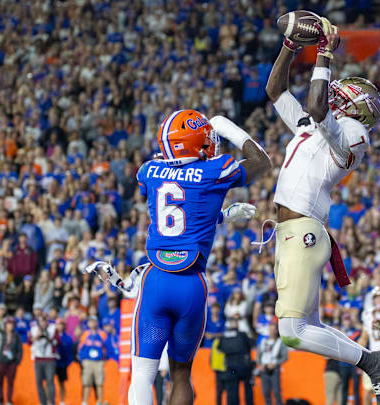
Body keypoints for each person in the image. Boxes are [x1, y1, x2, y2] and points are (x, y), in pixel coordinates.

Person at [265, 14, 380, 405]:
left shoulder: (354, 135)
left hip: (304, 231)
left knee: (292, 331)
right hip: (294, 232)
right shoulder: (315, 127)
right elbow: (275, 91)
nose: (338, 93)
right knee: (308, 326)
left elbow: (317, 103)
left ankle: (373, 361)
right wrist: (290, 48)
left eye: (346, 93)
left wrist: (325, 54)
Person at [88, 110, 270, 405]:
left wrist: (220, 216)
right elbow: (262, 163)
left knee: (143, 374)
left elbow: (177, 210)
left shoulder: (149, 170)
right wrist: (231, 130)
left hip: (156, 281)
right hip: (191, 285)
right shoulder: (215, 170)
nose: (211, 142)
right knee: (181, 374)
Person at [218, 317, 254, 405]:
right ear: (237, 324)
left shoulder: (223, 336)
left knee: (232, 391)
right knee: (248, 389)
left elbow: (219, 349)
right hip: (244, 366)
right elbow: (252, 344)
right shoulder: (242, 334)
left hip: (231, 367)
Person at [78, 315, 108, 405]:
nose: (92, 323)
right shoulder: (85, 334)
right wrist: (82, 360)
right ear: (88, 323)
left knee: (99, 383)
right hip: (88, 361)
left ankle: (99, 402)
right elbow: (80, 348)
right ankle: (85, 402)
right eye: (90, 321)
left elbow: (106, 347)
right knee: (86, 383)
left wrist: (104, 360)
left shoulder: (102, 334)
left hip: (99, 362)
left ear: (97, 322)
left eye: (94, 321)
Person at [29, 314, 59, 405]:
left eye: (45, 320)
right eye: (42, 320)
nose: (43, 323)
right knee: (39, 382)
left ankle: (51, 402)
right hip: (38, 358)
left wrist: (47, 337)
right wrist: (37, 336)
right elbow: (29, 341)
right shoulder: (34, 329)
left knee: (50, 381)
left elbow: (57, 342)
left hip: (49, 358)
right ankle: (43, 402)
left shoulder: (53, 329)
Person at [257, 322, 287, 405]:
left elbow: (285, 357)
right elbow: (258, 356)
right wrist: (260, 365)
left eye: (273, 329)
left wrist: (275, 363)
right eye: (270, 329)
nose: (271, 331)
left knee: (277, 392)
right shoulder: (263, 342)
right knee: (266, 393)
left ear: (277, 331)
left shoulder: (280, 342)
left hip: (275, 370)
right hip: (264, 370)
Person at [0, 316, 23, 405]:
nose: (10, 326)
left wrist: (17, 361)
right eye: (8, 324)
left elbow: (20, 349)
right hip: (1, 361)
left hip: (11, 362)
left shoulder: (16, 336)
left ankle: (9, 401)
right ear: (5, 325)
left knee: (10, 382)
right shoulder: (1, 335)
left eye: (12, 324)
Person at [55, 318, 74, 405]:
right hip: (52, 363)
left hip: (62, 364)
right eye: (58, 324)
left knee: (61, 383)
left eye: (62, 324)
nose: (60, 326)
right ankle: (49, 400)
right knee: (50, 382)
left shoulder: (68, 338)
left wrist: (68, 363)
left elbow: (70, 352)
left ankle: (62, 401)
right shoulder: (52, 335)